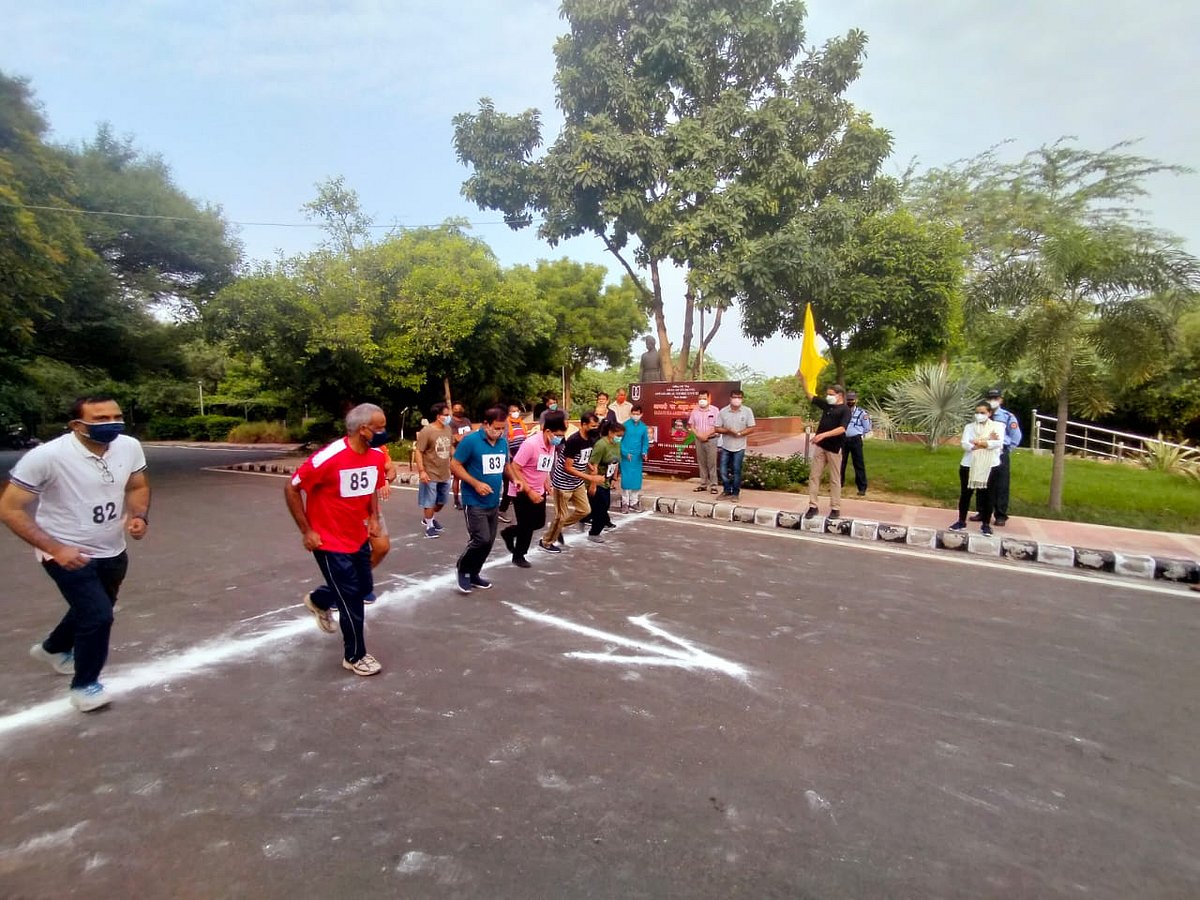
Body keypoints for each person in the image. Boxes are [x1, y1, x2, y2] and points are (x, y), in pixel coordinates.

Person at [0, 394, 150, 711]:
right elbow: (9, 508)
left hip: (112, 549)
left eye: (116, 417)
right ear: (77, 425)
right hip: (66, 552)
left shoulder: (129, 446)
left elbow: (137, 486)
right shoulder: (47, 456)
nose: (112, 424)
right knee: (98, 616)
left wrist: (139, 516)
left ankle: (53, 648)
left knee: (94, 606)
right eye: (101, 419)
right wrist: (55, 549)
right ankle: (85, 686)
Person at [284, 403, 390, 677]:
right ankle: (355, 656)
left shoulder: (375, 456)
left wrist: (373, 517)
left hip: (357, 535)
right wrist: (307, 531)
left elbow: (371, 487)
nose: (384, 432)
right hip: (328, 541)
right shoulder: (328, 458)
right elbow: (292, 488)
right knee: (351, 599)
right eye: (379, 428)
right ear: (363, 429)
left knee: (364, 586)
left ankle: (319, 599)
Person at [450, 406, 508, 594]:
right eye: (496, 428)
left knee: (489, 542)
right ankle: (463, 569)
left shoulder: (502, 443)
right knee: (480, 539)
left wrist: (518, 480)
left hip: (493, 501)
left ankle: (474, 573)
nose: (499, 432)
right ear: (486, 424)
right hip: (474, 501)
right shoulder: (471, 441)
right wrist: (475, 483)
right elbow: (455, 465)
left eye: (502, 428)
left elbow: (506, 466)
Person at [501, 413, 567, 566]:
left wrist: (547, 482)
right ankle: (519, 556)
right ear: (548, 431)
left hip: (538, 489)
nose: (559, 439)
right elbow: (515, 468)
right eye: (557, 435)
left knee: (538, 522)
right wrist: (529, 491)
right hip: (522, 489)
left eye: (562, 436)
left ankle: (509, 532)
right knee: (526, 525)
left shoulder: (551, 444)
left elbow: (544, 465)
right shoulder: (530, 444)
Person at [540, 412, 602, 552]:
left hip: (577, 482)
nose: (595, 428)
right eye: (592, 426)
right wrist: (591, 478)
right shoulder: (574, 440)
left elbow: (582, 456)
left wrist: (589, 466)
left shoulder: (591, 438)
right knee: (561, 516)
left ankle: (556, 526)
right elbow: (567, 467)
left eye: (596, 426)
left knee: (585, 510)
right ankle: (546, 542)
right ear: (583, 425)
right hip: (563, 483)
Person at [949, 402, 1005, 535]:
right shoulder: (969, 427)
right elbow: (965, 444)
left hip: (990, 465)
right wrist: (985, 441)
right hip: (969, 464)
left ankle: (986, 524)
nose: (979, 415)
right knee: (966, 494)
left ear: (989, 413)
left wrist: (977, 442)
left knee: (988, 495)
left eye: (982, 413)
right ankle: (961, 521)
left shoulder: (998, 426)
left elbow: (997, 443)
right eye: (977, 412)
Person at [800, 378, 851, 519]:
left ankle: (835, 508)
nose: (828, 397)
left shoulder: (845, 410)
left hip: (834, 447)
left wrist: (823, 435)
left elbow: (842, 429)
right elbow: (811, 396)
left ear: (839, 395)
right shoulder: (828, 406)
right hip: (820, 446)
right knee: (814, 476)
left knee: (835, 479)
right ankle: (813, 506)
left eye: (831, 394)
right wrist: (803, 380)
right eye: (828, 394)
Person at [972, 388, 1022, 526]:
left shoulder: (1007, 416)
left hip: (1000, 452)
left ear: (1000, 400)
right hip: (983, 450)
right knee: (982, 482)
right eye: (990, 398)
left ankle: (1000, 515)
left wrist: (1006, 449)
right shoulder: (981, 415)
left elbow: (1016, 436)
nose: (992, 401)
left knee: (1001, 484)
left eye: (995, 398)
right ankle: (982, 512)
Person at [414, 402, 454, 538]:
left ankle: (428, 518)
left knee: (441, 501)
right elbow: (418, 451)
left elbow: (450, 447)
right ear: (438, 416)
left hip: (445, 472)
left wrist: (457, 460)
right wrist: (421, 471)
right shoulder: (427, 431)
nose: (448, 417)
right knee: (429, 501)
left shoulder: (448, 429)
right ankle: (429, 526)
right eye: (446, 415)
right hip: (430, 472)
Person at [714, 390, 756, 501]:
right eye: (735, 397)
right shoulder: (723, 411)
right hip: (726, 446)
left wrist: (740, 433)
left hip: (740, 446)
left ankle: (736, 493)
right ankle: (727, 491)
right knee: (723, 470)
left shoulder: (747, 411)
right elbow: (717, 428)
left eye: (739, 397)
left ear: (742, 399)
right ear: (730, 398)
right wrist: (728, 431)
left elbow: (751, 428)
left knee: (737, 470)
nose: (737, 399)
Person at [587, 419, 623, 542]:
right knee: (601, 507)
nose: (619, 438)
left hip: (606, 479)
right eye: (618, 435)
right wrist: (593, 485)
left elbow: (615, 461)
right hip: (597, 479)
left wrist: (614, 478)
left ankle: (587, 518)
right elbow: (593, 465)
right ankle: (594, 533)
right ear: (610, 433)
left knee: (604, 506)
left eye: (621, 436)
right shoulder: (601, 445)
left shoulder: (617, 444)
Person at [498, 402, 528, 524]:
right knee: (510, 484)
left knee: (516, 483)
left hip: (520, 456)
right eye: (513, 411)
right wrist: (508, 455)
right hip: (510, 458)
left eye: (517, 410)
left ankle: (506, 507)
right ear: (508, 413)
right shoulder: (505, 424)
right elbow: (504, 440)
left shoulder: (521, 423)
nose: (516, 413)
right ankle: (501, 510)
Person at [687, 389, 721, 493]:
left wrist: (706, 435)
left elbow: (718, 426)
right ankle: (703, 484)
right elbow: (692, 426)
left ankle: (714, 486)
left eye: (704, 398)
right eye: (700, 398)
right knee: (701, 463)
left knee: (712, 463)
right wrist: (699, 435)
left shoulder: (715, 410)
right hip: (699, 440)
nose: (702, 400)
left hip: (711, 440)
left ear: (709, 398)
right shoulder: (695, 411)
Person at [619, 403, 651, 511]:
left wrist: (644, 452)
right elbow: (618, 441)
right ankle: (625, 503)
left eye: (637, 414)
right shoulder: (625, 425)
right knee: (626, 481)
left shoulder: (643, 427)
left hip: (637, 458)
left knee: (636, 481)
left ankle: (634, 502)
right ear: (630, 414)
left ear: (641, 414)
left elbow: (645, 442)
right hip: (626, 457)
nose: (635, 416)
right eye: (633, 414)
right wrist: (625, 452)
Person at [840, 390, 872, 497]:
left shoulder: (862, 413)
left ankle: (862, 488)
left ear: (856, 400)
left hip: (855, 440)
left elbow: (867, 427)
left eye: (852, 400)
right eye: (848, 400)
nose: (850, 402)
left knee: (858, 464)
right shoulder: (842, 411)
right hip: (843, 439)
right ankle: (838, 484)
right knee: (840, 463)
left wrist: (858, 432)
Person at [449, 402, 473, 510]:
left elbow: (471, 433)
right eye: (456, 409)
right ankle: (456, 500)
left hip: (470, 450)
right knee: (457, 477)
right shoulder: (451, 423)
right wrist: (467, 434)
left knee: (470, 475)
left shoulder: (466, 420)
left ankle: (468, 498)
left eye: (460, 408)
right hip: (458, 451)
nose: (458, 411)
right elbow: (457, 438)